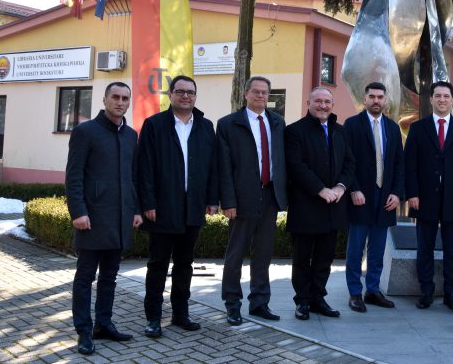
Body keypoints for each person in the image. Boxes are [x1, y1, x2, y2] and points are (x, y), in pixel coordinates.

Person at [137, 75, 219, 338]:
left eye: (190, 92)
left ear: (195, 96)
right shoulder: (154, 125)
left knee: (185, 263)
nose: (186, 96)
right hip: (162, 207)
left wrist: (212, 199)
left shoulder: (205, 126)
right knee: (158, 264)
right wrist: (148, 202)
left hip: (192, 207)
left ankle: (181, 313)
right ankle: (153, 318)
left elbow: (213, 166)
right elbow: (144, 167)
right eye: (180, 91)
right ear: (170, 95)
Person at [66, 82, 142, 355]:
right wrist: (78, 211)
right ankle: (84, 331)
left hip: (120, 219)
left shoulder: (131, 135)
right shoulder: (85, 131)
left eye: (125, 98)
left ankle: (104, 324)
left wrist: (136, 209)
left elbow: (133, 177)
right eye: (115, 97)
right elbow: (74, 175)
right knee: (85, 277)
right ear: (105, 99)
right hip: (92, 218)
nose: (120, 102)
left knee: (110, 276)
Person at [217, 76, 287, 326]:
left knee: (263, 254)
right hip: (242, 197)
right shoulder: (228, 124)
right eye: (255, 92)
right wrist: (228, 201)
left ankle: (259, 303)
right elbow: (223, 167)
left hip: (269, 195)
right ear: (245, 93)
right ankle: (232, 305)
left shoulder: (277, 122)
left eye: (264, 92)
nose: (260, 96)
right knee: (235, 255)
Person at [404, 80, 453, 311]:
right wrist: (412, 193)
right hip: (424, 199)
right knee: (424, 248)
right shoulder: (418, 128)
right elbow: (410, 165)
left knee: (452, 251)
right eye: (438, 96)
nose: (442, 100)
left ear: (452, 100)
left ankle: (450, 294)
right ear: (431, 99)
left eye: (446, 96)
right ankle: (426, 292)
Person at [285, 87, 356, 320]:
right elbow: (296, 166)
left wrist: (340, 187)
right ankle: (302, 301)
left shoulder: (340, 131)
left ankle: (318, 298)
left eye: (327, 101)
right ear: (309, 103)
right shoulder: (294, 131)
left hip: (333, 206)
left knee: (325, 258)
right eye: (318, 101)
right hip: (306, 206)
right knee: (302, 258)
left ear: (332, 105)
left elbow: (349, 164)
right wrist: (320, 189)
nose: (323, 105)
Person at [343, 82, 405, 313]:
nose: (376, 100)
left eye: (380, 97)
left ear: (385, 100)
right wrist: (353, 189)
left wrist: (397, 193)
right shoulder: (352, 125)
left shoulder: (392, 128)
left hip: (385, 197)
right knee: (356, 249)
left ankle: (373, 290)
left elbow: (399, 163)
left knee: (378, 249)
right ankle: (354, 293)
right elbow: (346, 161)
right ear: (365, 99)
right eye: (372, 96)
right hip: (360, 195)